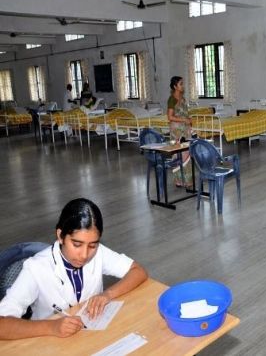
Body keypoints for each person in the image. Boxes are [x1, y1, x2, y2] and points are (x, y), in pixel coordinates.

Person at [0, 198, 148, 340]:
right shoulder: (35, 268)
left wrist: (107, 294)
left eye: (92, 245)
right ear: (60, 235)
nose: (84, 255)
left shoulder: (99, 253)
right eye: (77, 244)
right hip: (46, 340)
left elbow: (138, 271)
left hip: (89, 336)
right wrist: (51, 327)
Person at [167, 76, 193, 187]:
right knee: (178, 155)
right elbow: (170, 117)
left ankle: (187, 180)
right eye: (181, 84)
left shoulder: (183, 98)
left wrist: (189, 121)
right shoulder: (172, 99)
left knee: (186, 154)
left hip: (185, 129)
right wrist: (184, 120)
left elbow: (185, 113)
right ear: (175, 86)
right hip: (176, 131)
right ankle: (179, 180)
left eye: (182, 83)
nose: (183, 86)